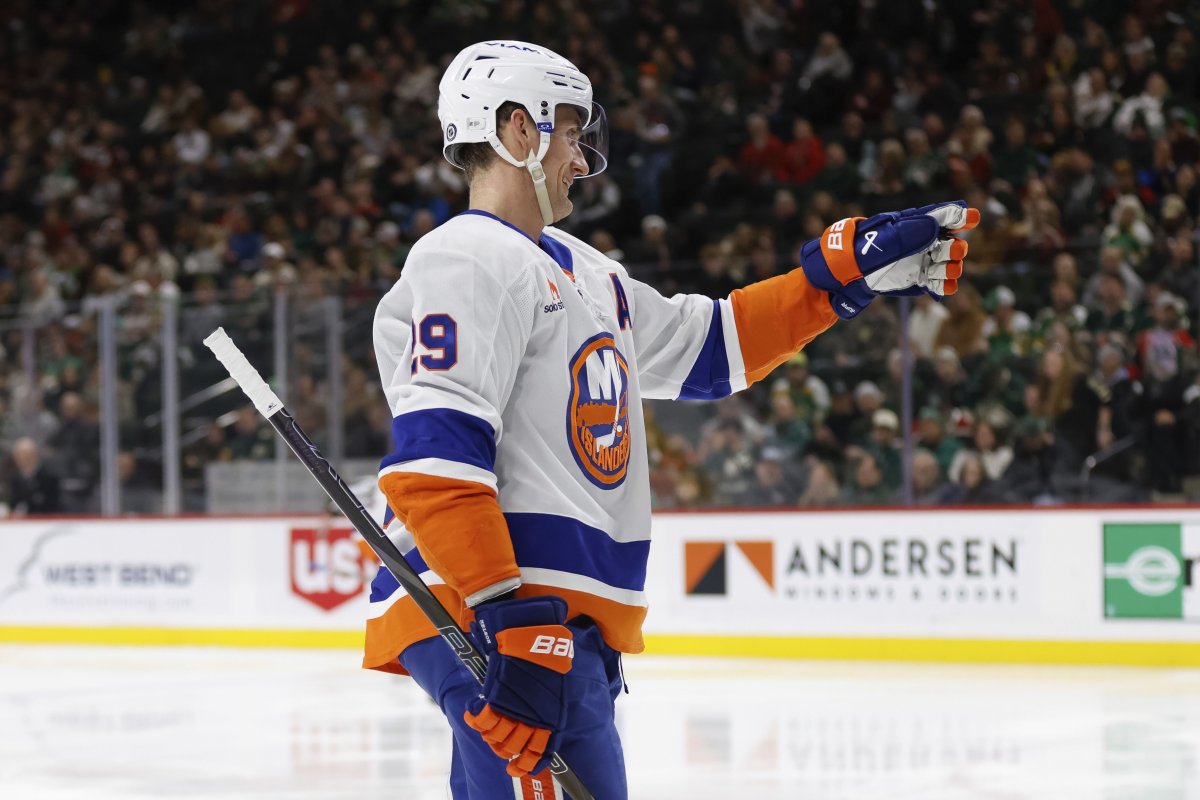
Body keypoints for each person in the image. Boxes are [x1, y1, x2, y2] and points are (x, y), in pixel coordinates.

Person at [366, 40, 979, 800]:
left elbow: (710, 348)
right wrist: (505, 613)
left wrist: (834, 283)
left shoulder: (585, 271)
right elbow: (437, 462)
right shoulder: (465, 256)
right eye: (568, 132)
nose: (582, 159)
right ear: (516, 130)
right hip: (499, 609)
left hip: (551, 619)